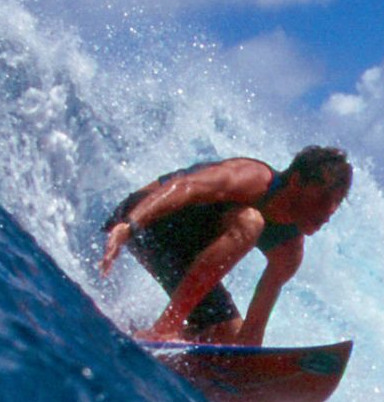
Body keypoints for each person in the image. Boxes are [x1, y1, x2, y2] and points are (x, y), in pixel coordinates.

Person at [96, 147, 353, 344]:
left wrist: (247, 373)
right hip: (148, 219)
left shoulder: (288, 252)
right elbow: (185, 186)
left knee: (228, 339)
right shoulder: (253, 179)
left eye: (336, 203)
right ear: (296, 181)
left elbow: (252, 336)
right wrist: (130, 225)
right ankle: (165, 329)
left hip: (183, 255)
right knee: (251, 222)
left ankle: (145, 336)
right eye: (323, 198)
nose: (328, 212)